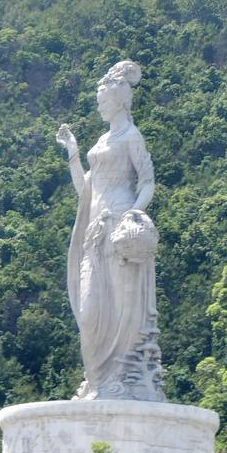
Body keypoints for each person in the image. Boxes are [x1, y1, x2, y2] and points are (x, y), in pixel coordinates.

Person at [56, 60, 165, 401]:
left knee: (123, 309)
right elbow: (85, 192)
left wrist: (135, 213)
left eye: (103, 100)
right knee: (89, 313)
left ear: (119, 101)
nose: (99, 106)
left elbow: (147, 181)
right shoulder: (103, 140)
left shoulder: (132, 136)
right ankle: (97, 381)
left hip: (119, 230)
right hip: (94, 232)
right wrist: (73, 154)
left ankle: (123, 381)